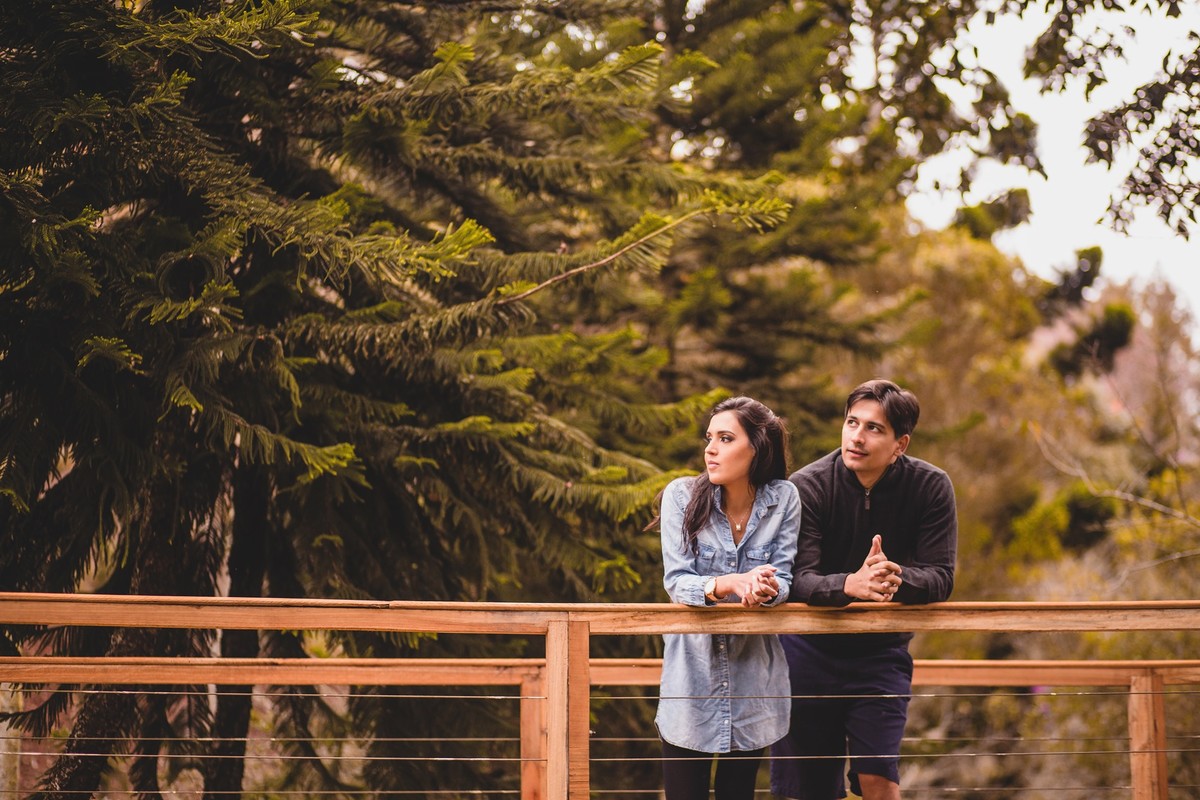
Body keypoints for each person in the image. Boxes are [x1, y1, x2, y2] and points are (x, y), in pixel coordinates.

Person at [770, 379, 957, 800]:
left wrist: (896, 578)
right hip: (806, 652)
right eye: (852, 422)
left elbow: (941, 576)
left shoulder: (931, 487)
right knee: (808, 791)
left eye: (874, 428)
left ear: (900, 444)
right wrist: (850, 585)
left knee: (880, 782)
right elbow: (797, 578)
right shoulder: (808, 485)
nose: (857, 437)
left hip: (881, 654)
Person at [653, 396, 802, 800]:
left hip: (753, 683)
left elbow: (784, 578)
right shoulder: (681, 496)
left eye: (725, 438)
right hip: (691, 681)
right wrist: (731, 583)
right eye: (709, 438)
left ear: (757, 448)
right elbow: (677, 582)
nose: (711, 450)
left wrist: (766, 590)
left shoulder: (784, 498)